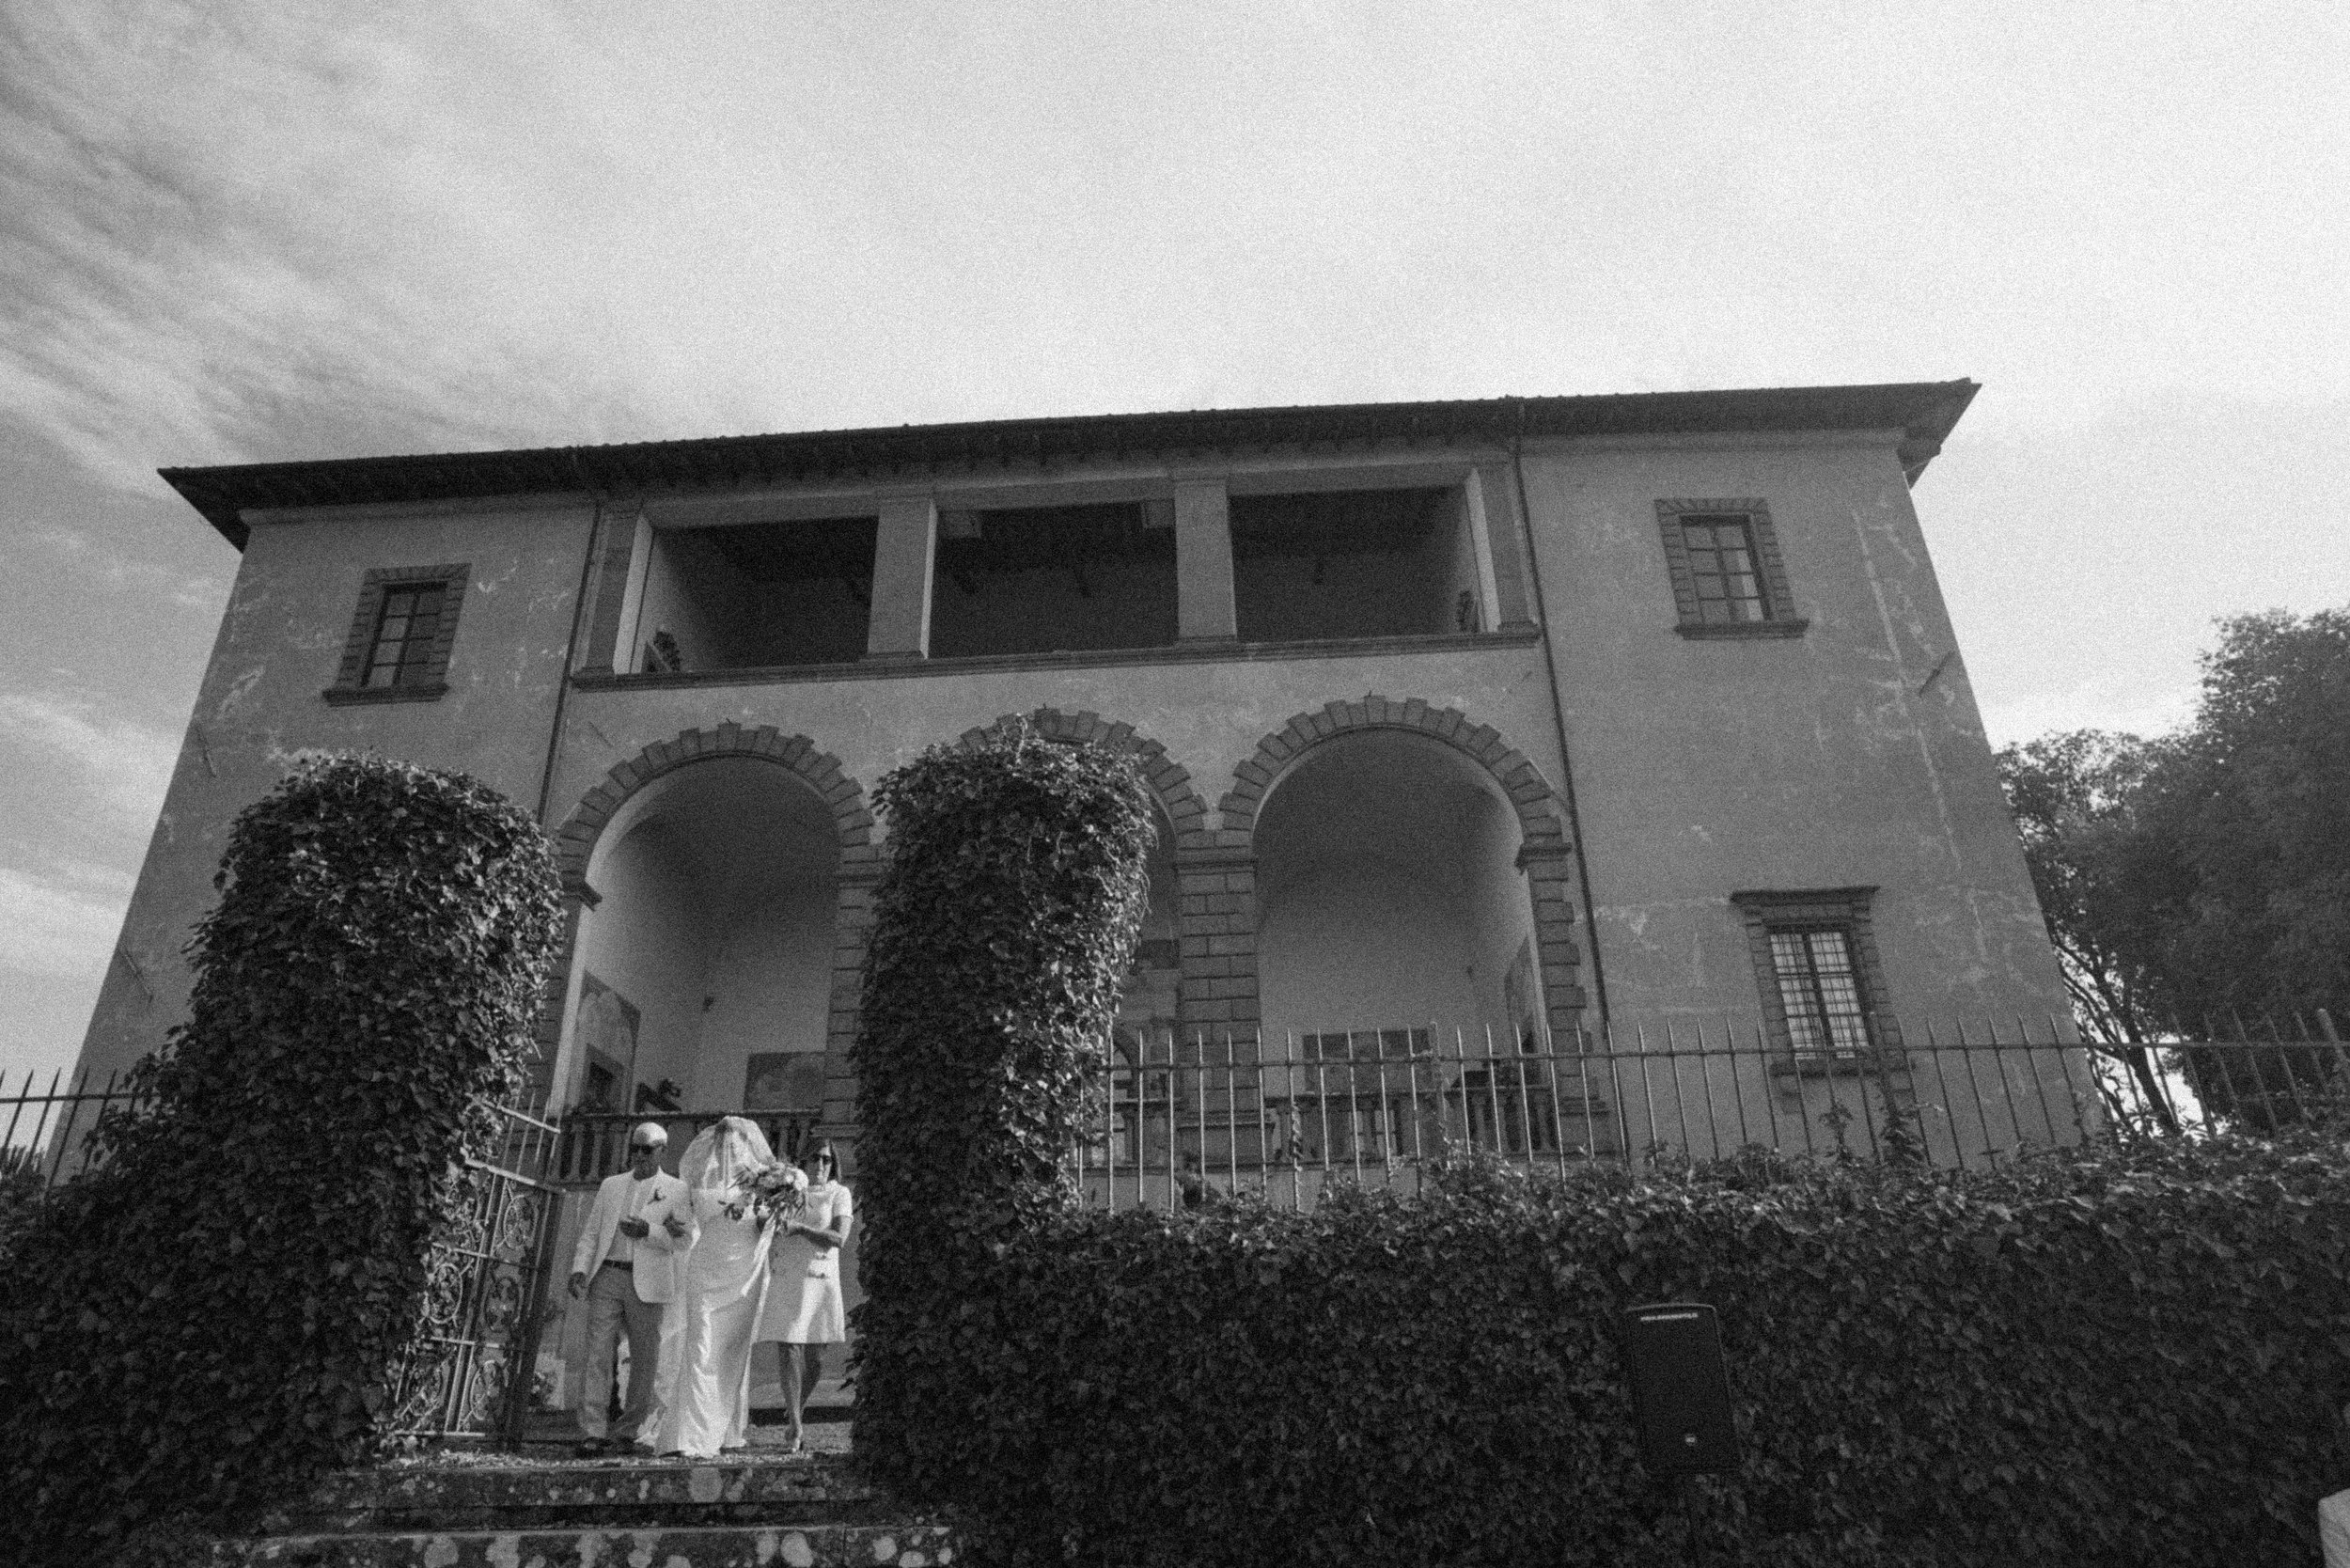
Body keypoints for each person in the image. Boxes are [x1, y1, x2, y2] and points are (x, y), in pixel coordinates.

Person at [647, 1116, 776, 1458]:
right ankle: (685, 1437)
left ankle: (721, 1430)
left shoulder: (762, 1184)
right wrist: (676, 1228)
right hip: (705, 1268)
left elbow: (767, 1226)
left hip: (742, 1272)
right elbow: (689, 1231)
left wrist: (767, 1218)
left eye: (734, 1142)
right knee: (700, 1345)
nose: (728, 1147)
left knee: (730, 1351)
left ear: (745, 1145)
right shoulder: (698, 1178)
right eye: (723, 1142)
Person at [566, 1121, 684, 1456]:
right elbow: (592, 1232)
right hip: (608, 1275)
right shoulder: (611, 1185)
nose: (639, 1155)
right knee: (597, 1353)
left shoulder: (676, 1189)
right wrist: (580, 1269)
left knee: (645, 1359)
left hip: (648, 1282)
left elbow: (686, 1240)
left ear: (662, 1150)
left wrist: (649, 1231)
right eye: (634, 1148)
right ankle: (592, 1430)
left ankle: (629, 1430)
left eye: (647, 1149)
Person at [757, 1138, 853, 1451]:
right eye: (815, 1159)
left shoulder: (839, 1193)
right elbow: (765, 1222)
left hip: (820, 1278)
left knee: (816, 1360)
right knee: (789, 1347)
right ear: (805, 1161)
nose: (820, 1165)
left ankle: (796, 1405)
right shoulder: (787, 1189)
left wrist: (800, 1230)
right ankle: (795, 1426)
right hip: (788, 1276)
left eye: (826, 1159)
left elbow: (838, 1238)